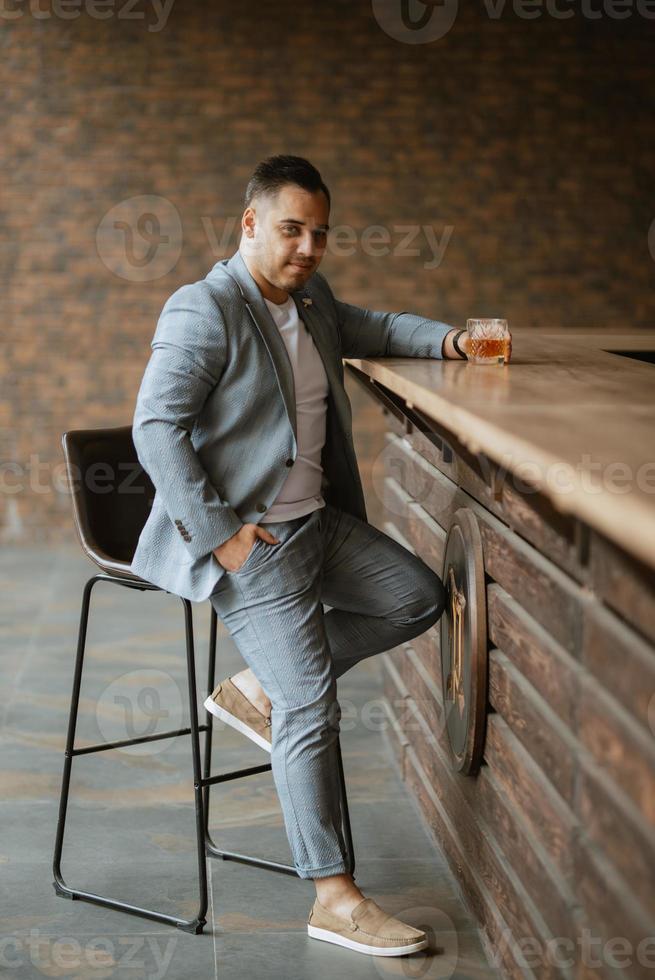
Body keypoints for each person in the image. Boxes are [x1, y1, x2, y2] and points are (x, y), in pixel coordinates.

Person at [131, 155, 473, 957]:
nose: (309, 246)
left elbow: (378, 328)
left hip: (319, 525)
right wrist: (222, 533)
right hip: (256, 545)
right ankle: (334, 897)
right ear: (249, 225)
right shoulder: (204, 308)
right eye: (292, 229)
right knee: (311, 707)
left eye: (320, 232)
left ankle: (256, 687)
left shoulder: (310, 299)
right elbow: (155, 427)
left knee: (417, 597)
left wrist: (452, 339)